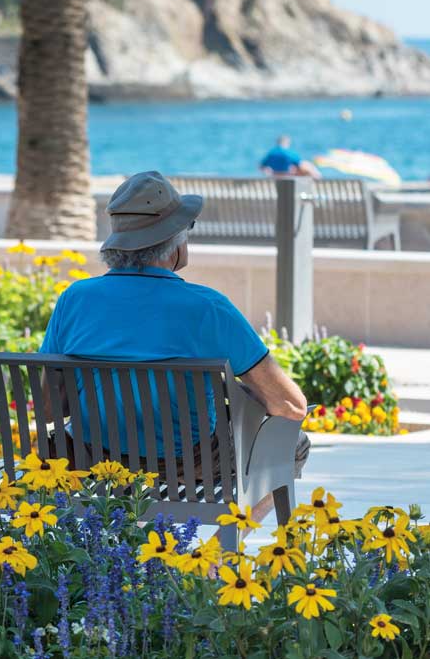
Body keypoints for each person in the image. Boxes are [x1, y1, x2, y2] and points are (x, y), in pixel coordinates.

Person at [39, 171, 309, 524]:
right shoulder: (207, 307)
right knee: (294, 444)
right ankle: (215, 557)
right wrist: (241, 396)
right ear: (176, 243)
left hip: (92, 455)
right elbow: (290, 406)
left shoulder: (74, 300)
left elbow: (47, 408)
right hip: (188, 460)